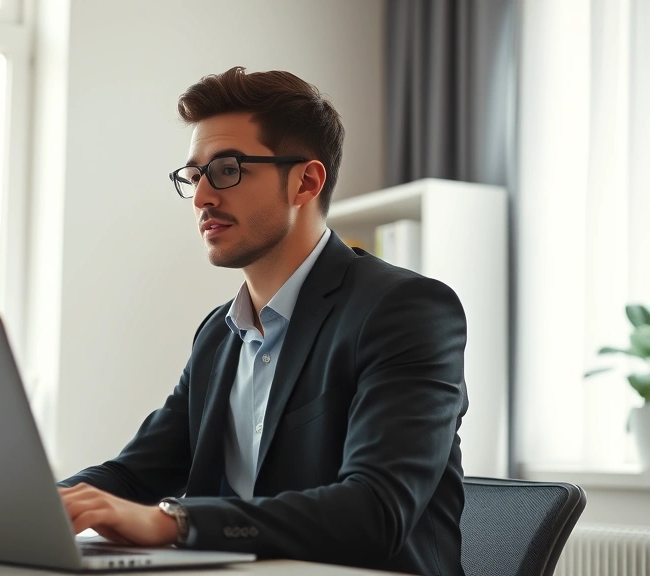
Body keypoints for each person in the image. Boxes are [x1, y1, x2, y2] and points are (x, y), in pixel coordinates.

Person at [57, 66, 468, 576]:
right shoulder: (219, 333)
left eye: (227, 170)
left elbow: (375, 511)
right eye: (194, 176)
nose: (204, 197)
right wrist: (41, 505)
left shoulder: (405, 310)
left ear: (306, 181)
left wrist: (175, 523)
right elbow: (136, 473)